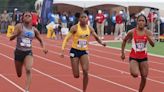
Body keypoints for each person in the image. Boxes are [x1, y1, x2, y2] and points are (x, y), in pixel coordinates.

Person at [60, 13, 106, 92]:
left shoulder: (90, 28)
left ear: (87, 19)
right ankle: (75, 67)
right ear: (79, 19)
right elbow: (66, 39)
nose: (84, 19)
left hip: (84, 51)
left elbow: (96, 37)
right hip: (74, 51)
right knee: (76, 75)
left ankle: (84, 90)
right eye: (82, 17)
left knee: (85, 71)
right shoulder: (74, 28)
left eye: (85, 17)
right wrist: (62, 50)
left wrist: (102, 43)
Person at [10, 11, 48, 92]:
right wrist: (16, 34)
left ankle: (26, 90)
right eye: (26, 15)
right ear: (22, 18)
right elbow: (10, 38)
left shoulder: (34, 30)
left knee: (28, 69)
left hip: (28, 52)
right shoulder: (19, 26)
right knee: (19, 74)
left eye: (29, 16)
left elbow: (41, 40)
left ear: (31, 18)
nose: (27, 17)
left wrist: (44, 47)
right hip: (18, 52)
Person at [121, 14, 155, 92]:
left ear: (145, 23)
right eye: (139, 20)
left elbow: (153, 45)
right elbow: (124, 41)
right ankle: (134, 68)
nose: (141, 22)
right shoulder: (132, 32)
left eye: (143, 21)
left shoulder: (148, 32)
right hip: (134, 57)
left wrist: (148, 36)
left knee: (144, 77)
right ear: (137, 22)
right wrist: (122, 53)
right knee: (135, 74)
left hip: (144, 58)